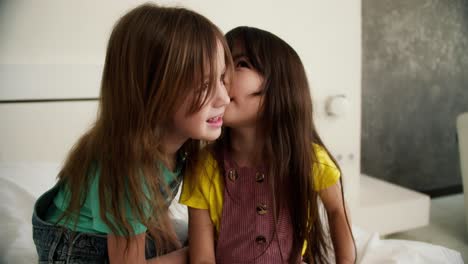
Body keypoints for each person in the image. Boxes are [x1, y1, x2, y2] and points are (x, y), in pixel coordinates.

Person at [32, 3, 232, 263]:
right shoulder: (127, 164)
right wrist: (192, 254)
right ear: (153, 89)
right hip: (75, 248)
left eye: (223, 78)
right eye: (205, 84)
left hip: (117, 241)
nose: (224, 98)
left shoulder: (180, 146)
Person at [181, 26, 356, 264]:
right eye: (221, 63)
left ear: (279, 87)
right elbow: (202, 258)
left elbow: (337, 211)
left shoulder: (308, 158)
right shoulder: (203, 167)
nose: (222, 74)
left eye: (239, 63)